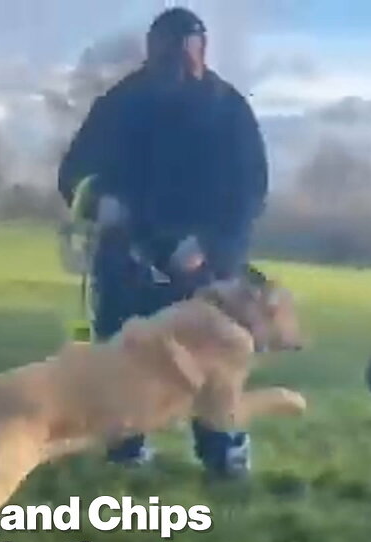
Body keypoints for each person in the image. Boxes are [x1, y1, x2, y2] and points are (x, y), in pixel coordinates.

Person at [56, 6, 269, 478]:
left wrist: (209, 249)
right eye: (166, 61)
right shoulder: (120, 103)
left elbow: (249, 194)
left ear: (202, 54)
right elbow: (74, 172)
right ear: (150, 55)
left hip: (199, 263)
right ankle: (126, 449)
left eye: (185, 61)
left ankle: (224, 453)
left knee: (209, 362)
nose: (175, 71)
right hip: (126, 253)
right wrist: (98, 200)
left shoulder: (229, 111)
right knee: (123, 355)